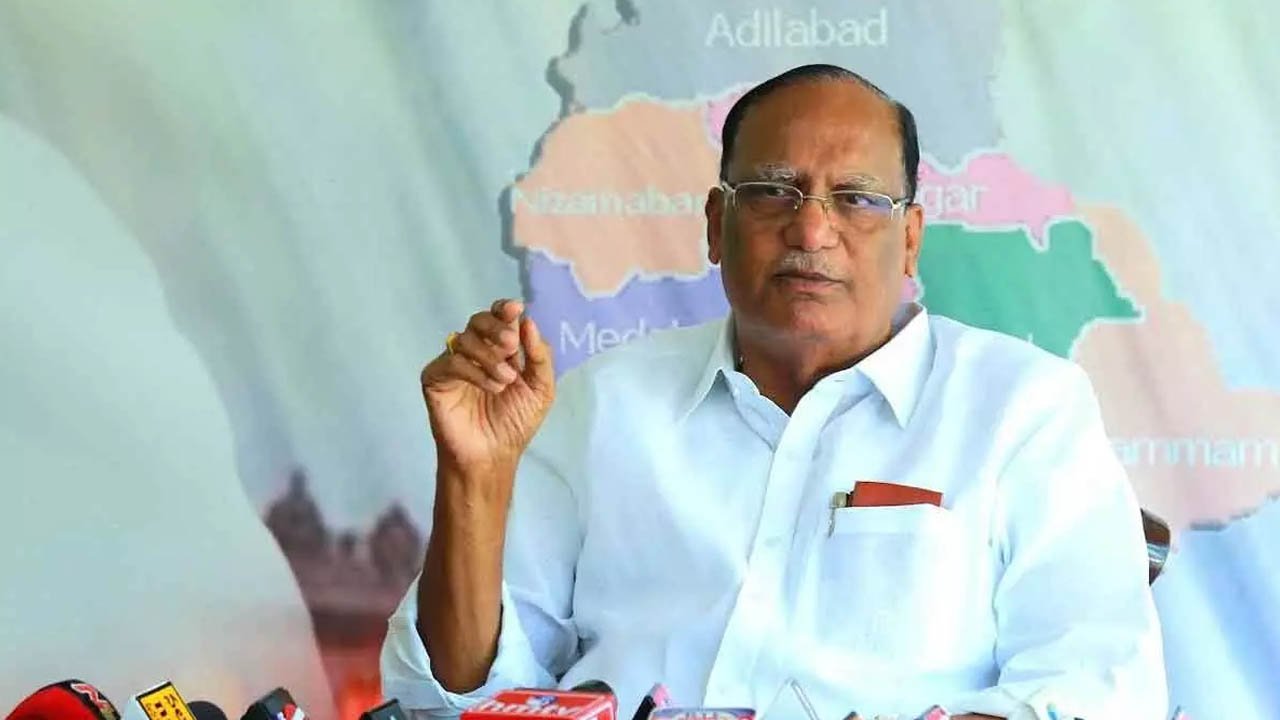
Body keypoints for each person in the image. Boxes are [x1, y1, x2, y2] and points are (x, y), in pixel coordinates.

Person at [382, 64, 1166, 720]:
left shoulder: (1024, 411)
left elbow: (1097, 686)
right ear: (715, 224)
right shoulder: (605, 405)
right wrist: (474, 477)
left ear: (911, 239)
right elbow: (448, 697)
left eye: (856, 198)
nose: (812, 232)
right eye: (772, 192)